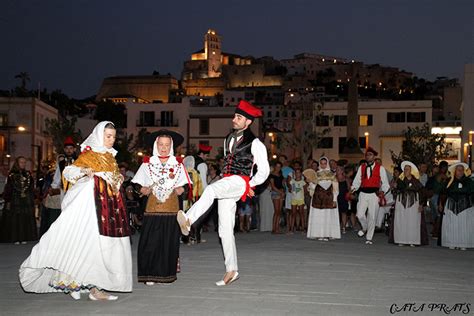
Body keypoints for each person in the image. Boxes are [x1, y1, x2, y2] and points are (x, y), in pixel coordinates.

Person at [19, 121, 132, 301]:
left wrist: (116, 179)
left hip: (108, 209)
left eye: (113, 137)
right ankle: (73, 282)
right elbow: (69, 172)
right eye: (108, 136)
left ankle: (96, 289)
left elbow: (116, 179)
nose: (111, 140)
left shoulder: (111, 158)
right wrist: (84, 171)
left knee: (101, 248)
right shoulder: (90, 154)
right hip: (88, 208)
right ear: (98, 136)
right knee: (81, 243)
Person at [176, 100, 270, 286]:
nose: (234, 119)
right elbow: (228, 163)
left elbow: (264, 170)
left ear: (248, 121)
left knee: (211, 189)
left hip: (239, 181)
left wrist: (251, 184)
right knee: (224, 229)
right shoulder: (228, 138)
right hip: (227, 180)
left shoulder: (255, 142)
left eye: (239, 117)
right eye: (235, 116)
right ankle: (231, 270)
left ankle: (188, 219)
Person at [132, 130, 189, 284]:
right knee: (150, 241)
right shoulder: (147, 163)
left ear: (171, 146)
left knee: (168, 242)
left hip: (171, 209)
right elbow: (136, 184)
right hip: (152, 208)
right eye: (161, 144)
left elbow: (187, 185)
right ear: (155, 145)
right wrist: (141, 189)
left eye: (167, 145)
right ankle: (149, 275)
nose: (163, 148)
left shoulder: (177, 164)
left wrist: (182, 189)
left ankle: (166, 274)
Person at [351, 147, 390, 245]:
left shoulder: (380, 168)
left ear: (374, 156)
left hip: (374, 194)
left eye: (370, 155)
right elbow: (357, 181)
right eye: (367, 155)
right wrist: (352, 189)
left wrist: (382, 192)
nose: (368, 156)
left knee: (372, 216)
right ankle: (365, 227)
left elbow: (385, 183)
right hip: (363, 194)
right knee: (359, 214)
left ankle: (369, 238)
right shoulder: (362, 167)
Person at [390, 161, 429, 247]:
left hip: (413, 202)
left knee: (413, 221)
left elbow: (423, 192)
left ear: (411, 171)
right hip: (401, 202)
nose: (405, 171)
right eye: (404, 169)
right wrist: (395, 187)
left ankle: (413, 240)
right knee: (401, 220)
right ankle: (401, 239)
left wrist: (421, 204)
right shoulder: (400, 181)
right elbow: (395, 192)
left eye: (407, 169)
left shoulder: (416, 181)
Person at [1, 156, 37, 244]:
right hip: (15, 199)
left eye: (24, 162)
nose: (23, 164)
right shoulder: (11, 175)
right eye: (21, 162)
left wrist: (33, 198)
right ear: (17, 163)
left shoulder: (28, 174)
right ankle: (15, 238)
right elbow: (8, 188)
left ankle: (24, 237)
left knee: (25, 218)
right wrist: (8, 200)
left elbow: (31, 187)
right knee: (16, 218)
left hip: (26, 200)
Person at [439, 162, 474, 250]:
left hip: (465, 205)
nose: (460, 172)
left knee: (464, 224)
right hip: (451, 205)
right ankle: (452, 242)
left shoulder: (469, 181)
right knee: (451, 224)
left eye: (462, 170)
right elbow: (443, 193)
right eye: (458, 170)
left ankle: (463, 243)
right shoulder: (449, 181)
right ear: (455, 171)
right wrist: (440, 204)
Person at [305, 157, 340, 241]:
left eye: (325, 163)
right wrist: (310, 182)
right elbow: (313, 187)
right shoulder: (316, 174)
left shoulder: (331, 174)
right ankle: (318, 234)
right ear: (319, 164)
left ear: (327, 164)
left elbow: (335, 187)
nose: (323, 165)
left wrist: (335, 199)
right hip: (318, 197)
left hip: (328, 197)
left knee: (327, 216)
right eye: (321, 163)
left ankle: (327, 234)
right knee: (318, 216)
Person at [288, 168, 306, 233]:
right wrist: (291, 189)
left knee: (301, 214)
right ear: (294, 174)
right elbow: (290, 189)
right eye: (296, 173)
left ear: (301, 174)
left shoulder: (303, 182)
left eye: (299, 172)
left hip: (301, 199)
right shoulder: (292, 181)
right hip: (294, 199)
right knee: (293, 214)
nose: (297, 174)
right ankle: (291, 229)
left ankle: (303, 229)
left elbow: (305, 191)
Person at [269, 161, 285, 234]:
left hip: (281, 192)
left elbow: (282, 184)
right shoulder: (271, 175)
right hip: (275, 193)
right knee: (276, 211)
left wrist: (283, 191)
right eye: (277, 166)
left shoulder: (280, 175)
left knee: (279, 211)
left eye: (279, 167)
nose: (278, 168)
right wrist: (280, 192)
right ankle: (274, 228)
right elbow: (272, 186)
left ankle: (277, 228)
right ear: (275, 166)